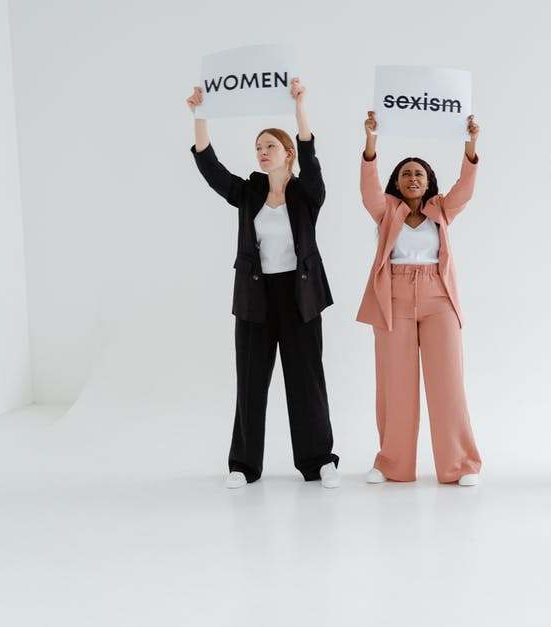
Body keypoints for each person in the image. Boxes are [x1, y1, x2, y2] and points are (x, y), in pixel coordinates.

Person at [186, 79, 340, 490]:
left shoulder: (308, 193)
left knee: (306, 381)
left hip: (299, 297)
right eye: (258, 147)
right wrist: (199, 116)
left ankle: (319, 461)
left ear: (286, 153)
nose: (261, 152)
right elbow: (211, 169)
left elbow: (311, 157)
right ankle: (243, 465)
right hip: (256, 298)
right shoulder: (251, 191)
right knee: (251, 381)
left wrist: (300, 108)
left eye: (269, 146)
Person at [356, 110, 483, 486]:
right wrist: (371, 143)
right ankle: (392, 463)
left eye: (419, 173)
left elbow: (466, 187)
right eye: (406, 173)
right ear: (396, 182)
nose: (413, 178)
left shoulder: (442, 209)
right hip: (392, 298)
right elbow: (368, 189)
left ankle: (460, 465)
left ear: (428, 182)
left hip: (437, 299)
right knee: (395, 384)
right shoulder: (386, 211)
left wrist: (471, 145)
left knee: (448, 383)